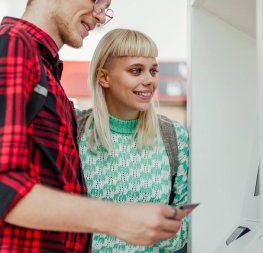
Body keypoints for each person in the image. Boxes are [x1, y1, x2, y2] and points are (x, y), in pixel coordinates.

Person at [0, 1, 187, 252]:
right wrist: (117, 218)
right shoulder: (11, 45)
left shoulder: (44, 69)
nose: (101, 16)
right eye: (97, 1)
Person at [77, 28, 189, 252]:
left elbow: (184, 221)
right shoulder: (74, 131)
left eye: (153, 70)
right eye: (136, 70)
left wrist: (158, 234)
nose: (149, 80)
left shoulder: (173, 135)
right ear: (104, 77)